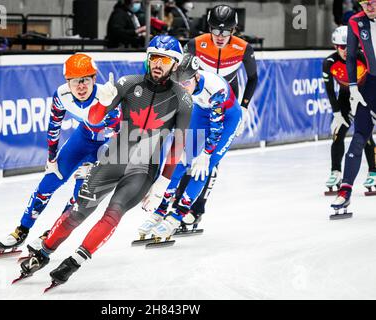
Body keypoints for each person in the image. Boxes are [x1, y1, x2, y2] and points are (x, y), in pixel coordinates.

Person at [17, 35, 192, 286]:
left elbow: (179, 144)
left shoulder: (183, 100)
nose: (157, 63)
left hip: (144, 166)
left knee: (113, 212)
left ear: (175, 64)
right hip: (115, 156)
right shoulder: (127, 83)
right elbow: (94, 119)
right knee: (78, 211)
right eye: (154, 57)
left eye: (164, 60)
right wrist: (102, 102)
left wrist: (163, 183)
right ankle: (43, 253)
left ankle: (75, 260)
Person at [0, 53, 122, 254]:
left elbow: (118, 134)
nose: (80, 87)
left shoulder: (106, 96)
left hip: (104, 145)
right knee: (47, 184)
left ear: (94, 79)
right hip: (81, 139)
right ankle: (22, 229)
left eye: (85, 81)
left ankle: (50, 234)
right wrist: (51, 158)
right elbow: (54, 126)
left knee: (79, 198)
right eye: (74, 82)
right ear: (67, 82)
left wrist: (104, 164)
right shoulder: (61, 95)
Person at [144, 4, 257, 227]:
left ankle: (194, 210)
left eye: (226, 31)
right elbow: (178, 73)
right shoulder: (196, 44)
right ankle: (168, 206)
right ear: (209, 27)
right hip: (197, 100)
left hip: (222, 104)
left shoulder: (243, 48)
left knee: (208, 163)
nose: (221, 36)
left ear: (234, 30)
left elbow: (253, 78)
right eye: (216, 30)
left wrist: (244, 106)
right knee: (185, 158)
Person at [138, 52, 242, 238]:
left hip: (227, 119)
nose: (182, 88)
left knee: (203, 166)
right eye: (178, 84)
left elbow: (216, 129)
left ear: (197, 76)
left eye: (186, 83)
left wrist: (206, 154)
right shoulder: (177, 85)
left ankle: (178, 215)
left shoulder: (215, 89)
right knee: (179, 159)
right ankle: (162, 209)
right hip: (201, 111)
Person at [332, 0, 376, 210]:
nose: (368, 7)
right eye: (364, 3)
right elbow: (350, 56)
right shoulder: (355, 21)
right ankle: (345, 191)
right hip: (370, 85)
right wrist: (353, 87)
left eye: (373, 2)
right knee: (359, 137)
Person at [323, 26, 376, 194]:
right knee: (338, 132)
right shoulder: (329, 63)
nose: (346, 50)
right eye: (342, 47)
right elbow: (330, 90)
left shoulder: (363, 58)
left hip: (364, 96)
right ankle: (336, 171)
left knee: (364, 134)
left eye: (349, 46)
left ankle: (373, 171)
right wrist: (337, 113)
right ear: (335, 47)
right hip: (345, 97)